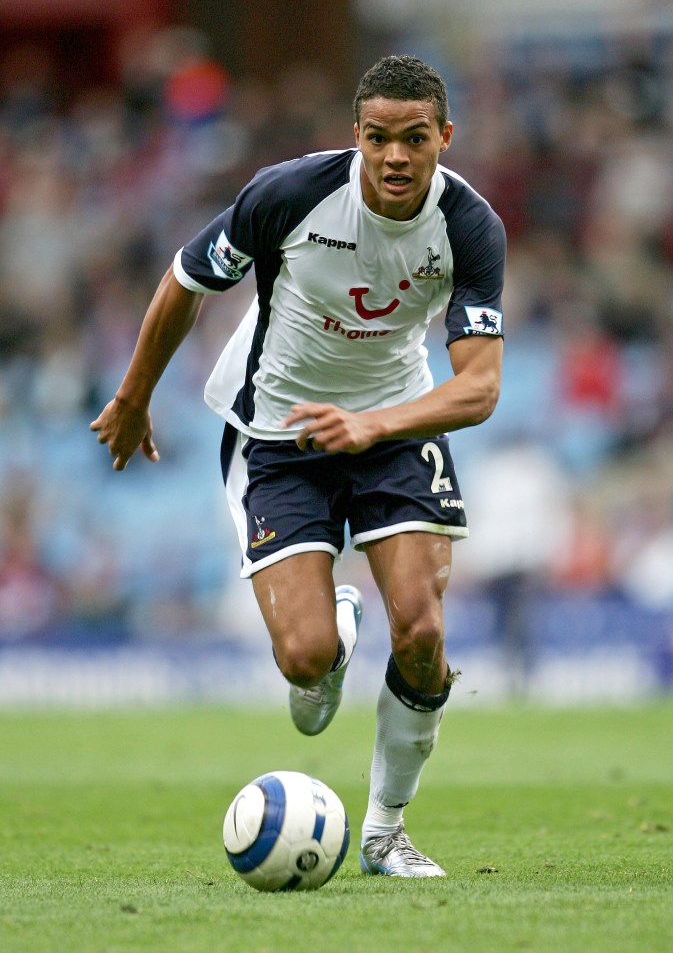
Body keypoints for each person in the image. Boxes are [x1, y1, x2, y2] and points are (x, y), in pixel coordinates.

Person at [91, 54, 506, 878]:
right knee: (304, 659)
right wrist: (135, 397)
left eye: (414, 138)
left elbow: (479, 385)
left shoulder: (468, 225)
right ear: (356, 136)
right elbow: (183, 281)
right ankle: (330, 636)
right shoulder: (287, 194)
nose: (395, 156)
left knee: (423, 630)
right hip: (275, 431)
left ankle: (385, 832)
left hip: (389, 423)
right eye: (379, 138)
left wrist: (371, 423)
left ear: (443, 138)